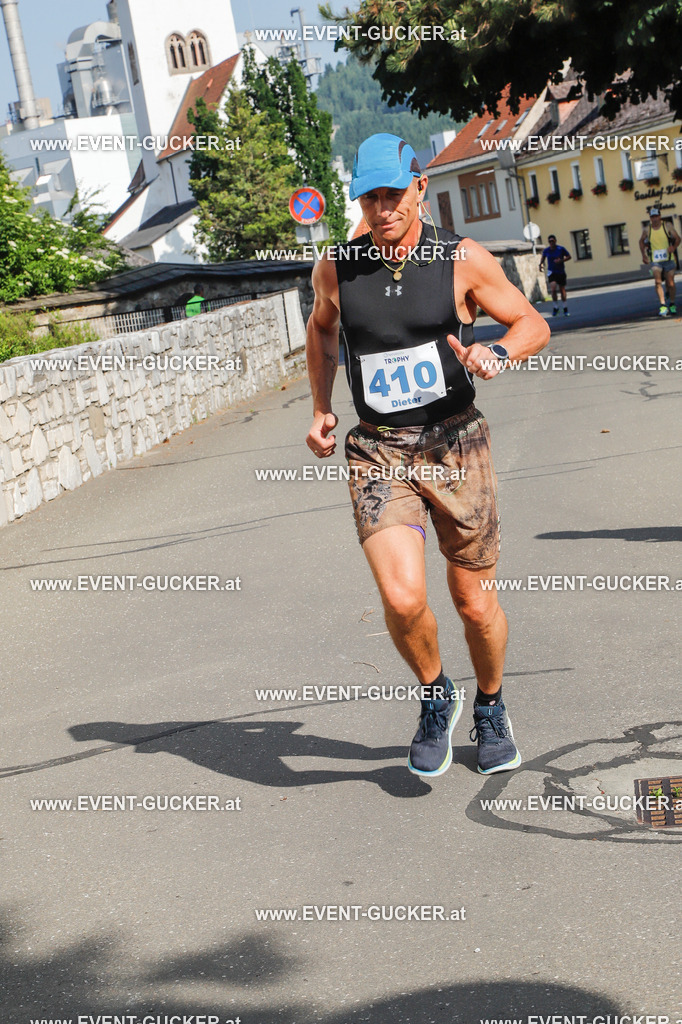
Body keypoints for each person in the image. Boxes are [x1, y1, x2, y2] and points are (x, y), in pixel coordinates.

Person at [305, 133, 550, 778]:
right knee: (404, 595)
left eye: (393, 194)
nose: (382, 208)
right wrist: (321, 407)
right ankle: (436, 691)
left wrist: (498, 353)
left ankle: (491, 705)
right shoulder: (337, 266)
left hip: (455, 444)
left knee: (473, 601)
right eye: (369, 197)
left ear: (420, 189)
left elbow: (532, 324)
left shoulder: (461, 258)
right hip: (379, 448)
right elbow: (322, 330)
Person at [639, 207, 680, 316]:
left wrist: (674, 247)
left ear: (660, 216)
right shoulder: (647, 230)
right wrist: (643, 255)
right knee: (657, 281)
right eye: (652, 217)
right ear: (650, 218)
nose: (655, 219)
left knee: (670, 283)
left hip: (668, 259)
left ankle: (672, 303)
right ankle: (663, 305)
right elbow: (641, 241)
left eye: (656, 216)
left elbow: (678, 238)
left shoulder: (667, 226)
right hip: (655, 260)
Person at [539, 235, 571, 316]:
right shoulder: (547, 250)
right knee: (553, 289)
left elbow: (569, 256)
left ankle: (565, 308)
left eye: (552, 241)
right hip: (552, 272)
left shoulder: (560, 249)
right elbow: (543, 257)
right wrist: (540, 264)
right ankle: (555, 307)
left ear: (555, 241)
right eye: (550, 241)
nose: (551, 243)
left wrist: (561, 260)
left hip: (560, 272)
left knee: (562, 290)